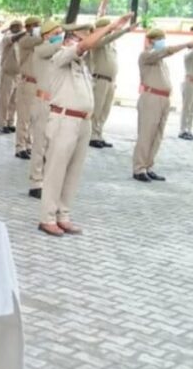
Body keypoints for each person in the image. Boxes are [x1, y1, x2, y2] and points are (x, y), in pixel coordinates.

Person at [38, 14, 134, 237]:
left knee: (73, 172)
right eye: (83, 37)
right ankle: (47, 218)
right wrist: (111, 26)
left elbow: (89, 47)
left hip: (82, 121)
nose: (87, 41)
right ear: (71, 39)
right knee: (56, 171)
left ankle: (63, 215)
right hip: (64, 120)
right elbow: (86, 45)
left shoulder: (82, 64)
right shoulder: (60, 56)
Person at [133, 29, 193, 182]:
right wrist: (188, 44)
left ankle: (148, 166)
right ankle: (139, 168)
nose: (162, 41)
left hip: (163, 99)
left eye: (163, 38)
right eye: (159, 39)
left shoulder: (162, 62)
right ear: (150, 41)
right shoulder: (146, 56)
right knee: (146, 135)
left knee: (157, 136)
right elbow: (167, 51)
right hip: (151, 98)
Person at [27, 20, 67, 198]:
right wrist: (66, 39)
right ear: (46, 35)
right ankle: (36, 182)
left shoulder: (59, 52)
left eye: (60, 33)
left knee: (53, 146)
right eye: (56, 33)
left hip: (57, 104)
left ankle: (48, 181)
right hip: (43, 102)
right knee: (40, 144)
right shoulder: (41, 49)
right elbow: (54, 47)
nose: (60, 36)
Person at [86, 17, 134, 149]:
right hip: (100, 79)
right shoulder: (97, 40)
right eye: (108, 27)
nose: (111, 30)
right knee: (97, 109)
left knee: (105, 110)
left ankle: (98, 134)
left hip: (111, 80)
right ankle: (91, 135)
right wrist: (125, 30)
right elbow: (107, 38)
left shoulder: (111, 43)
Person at [14, 16, 43, 159]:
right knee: (24, 117)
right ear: (28, 27)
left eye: (39, 25)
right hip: (27, 83)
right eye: (35, 25)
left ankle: (28, 144)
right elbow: (39, 40)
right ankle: (20, 147)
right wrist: (47, 34)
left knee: (33, 118)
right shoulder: (25, 40)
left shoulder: (37, 42)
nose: (38, 28)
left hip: (37, 84)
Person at [0, 19, 24, 134]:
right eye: (16, 26)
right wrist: (26, 32)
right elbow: (13, 38)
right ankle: (2, 124)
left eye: (20, 26)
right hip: (7, 74)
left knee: (14, 102)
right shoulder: (6, 38)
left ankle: (10, 123)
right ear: (11, 27)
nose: (19, 28)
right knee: (4, 101)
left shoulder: (21, 41)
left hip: (17, 75)